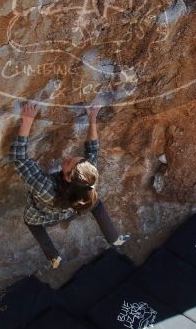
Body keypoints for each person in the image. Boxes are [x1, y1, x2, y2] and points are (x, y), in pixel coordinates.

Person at [8, 101, 129, 269]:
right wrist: (92, 119)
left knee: (32, 224)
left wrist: (27, 122)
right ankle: (114, 238)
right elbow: (92, 150)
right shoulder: (86, 178)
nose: (69, 157)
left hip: (42, 216)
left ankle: (54, 257)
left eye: (70, 162)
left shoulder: (45, 188)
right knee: (95, 203)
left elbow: (19, 158)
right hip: (72, 210)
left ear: (68, 177)